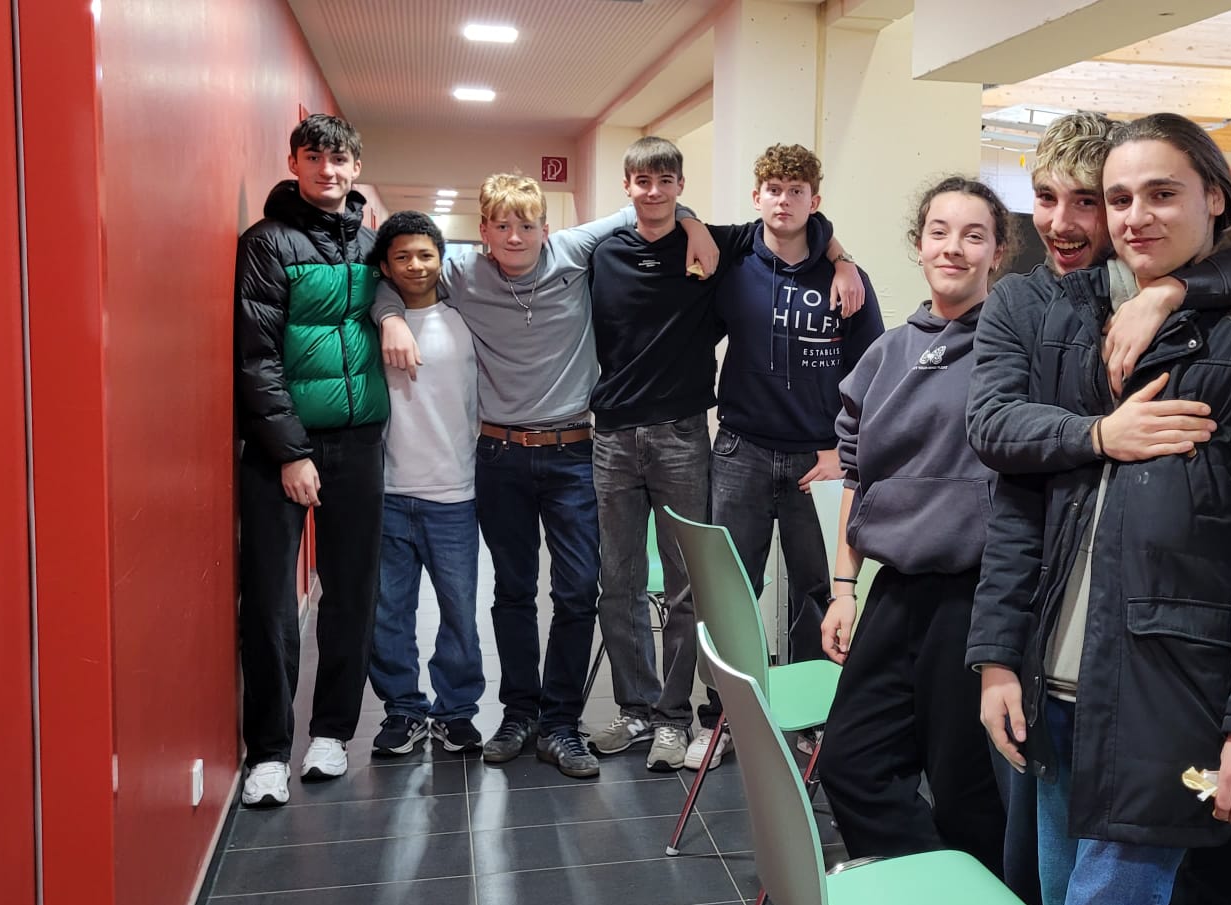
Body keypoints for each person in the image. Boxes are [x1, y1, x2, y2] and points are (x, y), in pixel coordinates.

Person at [969, 109, 1231, 905]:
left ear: (1216, 196)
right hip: (1055, 690)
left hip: (1164, 697)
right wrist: (999, 655)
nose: (1135, 216)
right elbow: (1022, 504)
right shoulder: (1072, 317)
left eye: (1162, 194)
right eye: (1120, 199)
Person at [371, 172, 718, 779]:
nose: (515, 236)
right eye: (502, 226)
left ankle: (561, 723)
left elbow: (649, 202)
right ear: (483, 231)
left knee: (577, 590)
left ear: (545, 228)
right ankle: (519, 714)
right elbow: (394, 277)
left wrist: (692, 224)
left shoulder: (574, 249)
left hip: (574, 453)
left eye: (526, 225)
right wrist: (390, 318)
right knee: (511, 591)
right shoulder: (462, 271)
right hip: (499, 454)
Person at [583, 137, 864, 772]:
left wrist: (844, 261)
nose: (783, 201)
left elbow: (865, 363)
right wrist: (690, 223)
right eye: (642, 181)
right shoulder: (644, 255)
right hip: (684, 442)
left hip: (747, 447)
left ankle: (769, 718)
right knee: (672, 586)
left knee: (774, 589)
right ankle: (681, 713)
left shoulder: (766, 258)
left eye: (666, 181)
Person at [815, 177, 1015, 875]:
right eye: (939, 231)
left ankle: (972, 885)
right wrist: (844, 588)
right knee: (849, 763)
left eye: (973, 235)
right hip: (895, 591)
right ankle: (938, 881)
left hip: (975, 597)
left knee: (964, 790)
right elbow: (857, 478)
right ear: (919, 244)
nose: (953, 247)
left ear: (997, 252)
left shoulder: (1013, 346)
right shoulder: (886, 353)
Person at [693, 143, 883, 771]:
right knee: (731, 592)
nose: (783, 200)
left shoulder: (846, 280)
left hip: (817, 461)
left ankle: (812, 720)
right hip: (742, 450)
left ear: (814, 201)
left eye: (796, 190)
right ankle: (723, 719)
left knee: (818, 593)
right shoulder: (734, 265)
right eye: (773, 188)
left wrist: (841, 453)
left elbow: (870, 374)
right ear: (757, 197)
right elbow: (681, 228)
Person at [234, 114, 388, 808]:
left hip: (359, 442)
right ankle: (268, 752)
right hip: (282, 452)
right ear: (294, 162)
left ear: (357, 167)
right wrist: (291, 452)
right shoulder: (266, 242)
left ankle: (331, 733)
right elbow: (257, 357)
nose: (328, 170)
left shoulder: (372, 243)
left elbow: (408, 295)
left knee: (352, 593)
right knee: (270, 602)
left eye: (339, 159)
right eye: (315, 157)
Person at [363, 212, 486, 756]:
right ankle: (403, 710)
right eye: (402, 257)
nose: (415, 265)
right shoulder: (369, 319)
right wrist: (386, 315)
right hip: (388, 492)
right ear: (386, 267)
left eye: (425, 254)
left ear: (441, 258)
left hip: (455, 493)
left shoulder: (466, 317)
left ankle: (456, 710)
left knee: (459, 611)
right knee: (388, 611)